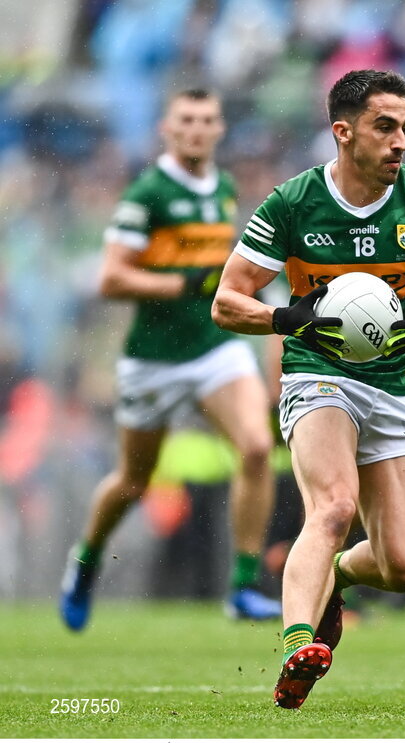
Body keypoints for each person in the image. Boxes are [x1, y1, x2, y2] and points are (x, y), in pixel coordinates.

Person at [212, 69, 405, 708]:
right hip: (318, 374)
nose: (400, 143)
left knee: (404, 568)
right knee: (333, 508)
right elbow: (227, 301)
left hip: (393, 382)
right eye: (385, 127)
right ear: (344, 132)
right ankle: (298, 643)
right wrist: (291, 318)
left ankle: (328, 575)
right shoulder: (292, 203)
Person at [59, 89, 280, 631]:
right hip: (153, 359)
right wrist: (183, 283)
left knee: (255, 448)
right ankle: (86, 559)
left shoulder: (224, 188)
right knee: (134, 482)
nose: (197, 129)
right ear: (167, 128)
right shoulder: (148, 192)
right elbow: (112, 278)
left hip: (215, 348)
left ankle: (244, 586)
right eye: (187, 120)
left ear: (219, 129)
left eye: (207, 120)